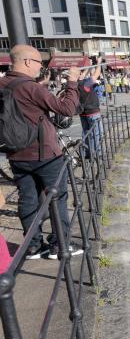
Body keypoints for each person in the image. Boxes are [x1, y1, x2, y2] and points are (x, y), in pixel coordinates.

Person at [0, 45, 83, 259]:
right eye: (39, 63)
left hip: (16, 153)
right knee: (57, 197)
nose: (41, 67)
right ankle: (59, 245)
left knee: (27, 199)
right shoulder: (31, 88)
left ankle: (32, 246)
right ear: (27, 62)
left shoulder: (3, 84)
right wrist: (72, 82)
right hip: (45, 155)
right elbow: (66, 109)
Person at [77, 65, 103, 158]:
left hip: (83, 113)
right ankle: (96, 153)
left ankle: (87, 153)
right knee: (96, 134)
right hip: (92, 112)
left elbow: (82, 75)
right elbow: (96, 75)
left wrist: (88, 66)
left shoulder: (75, 84)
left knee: (86, 133)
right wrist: (99, 63)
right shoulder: (85, 84)